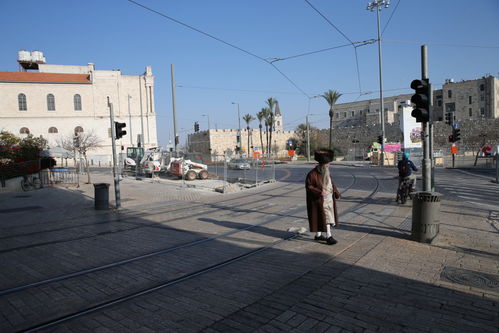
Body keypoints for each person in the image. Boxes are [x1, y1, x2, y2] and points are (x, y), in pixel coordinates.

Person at [305, 149, 341, 245]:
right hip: (319, 200)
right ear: (321, 164)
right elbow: (309, 186)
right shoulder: (312, 174)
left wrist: (337, 193)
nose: (328, 165)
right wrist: (319, 192)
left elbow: (331, 184)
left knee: (323, 217)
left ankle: (318, 235)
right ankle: (329, 236)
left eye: (328, 163)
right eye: (326, 164)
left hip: (329, 199)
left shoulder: (327, 172)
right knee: (326, 217)